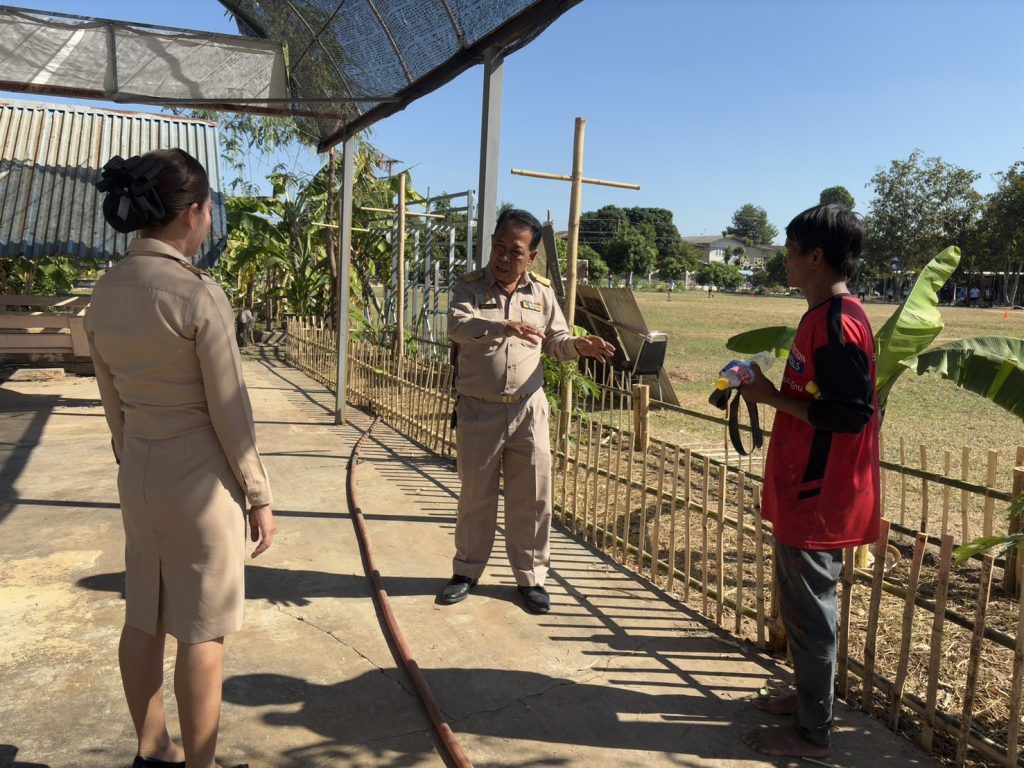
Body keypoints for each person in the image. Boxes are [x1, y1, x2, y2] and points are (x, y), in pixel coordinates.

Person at [86, 149, 275, 768]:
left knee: (143, 614)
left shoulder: (105, 292)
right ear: (193, 213)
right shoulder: (198, 294)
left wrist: (132, 458)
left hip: (138, 469)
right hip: (200, 482)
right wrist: (258, 494)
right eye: (208, 210)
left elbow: (112, 403)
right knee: (202, 630)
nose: (208, 220)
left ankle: (153, 751)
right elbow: (230, 410)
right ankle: (201, 764)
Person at [737, 204, 880, 759]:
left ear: (815, 257)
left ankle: (811, 734)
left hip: (819, 496)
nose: (786, 261)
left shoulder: (838, 324)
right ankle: (805, 701)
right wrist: (769, 391)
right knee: (800, 607)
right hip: (804, 487)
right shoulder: (822, 315)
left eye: (792, 251)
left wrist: (771, 398)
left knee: (811, 612)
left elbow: (852, 414)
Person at [440, 209, 615, 614]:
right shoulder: (469, 286)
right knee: (475, 497)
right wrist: (503, 326)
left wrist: (578, 346)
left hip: (528, 410)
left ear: (531, 257)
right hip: (479, 410)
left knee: (533, 497)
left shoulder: (542, 293)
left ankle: (531, 578)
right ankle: (466, 572)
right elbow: (457, 327)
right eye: (498, 247)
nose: (503, 257)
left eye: (515, 251)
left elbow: (556, 341)